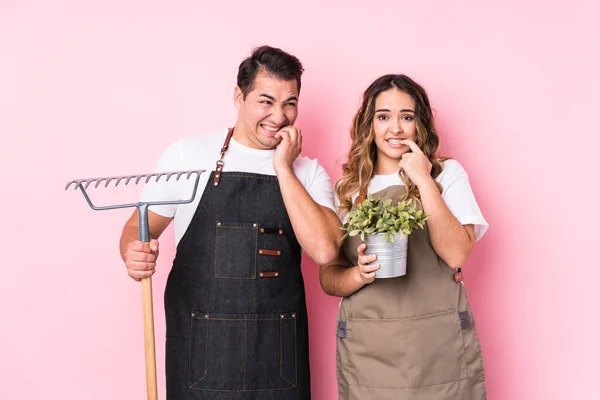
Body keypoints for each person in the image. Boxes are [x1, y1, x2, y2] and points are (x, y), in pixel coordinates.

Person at [119, 45, 341, 399]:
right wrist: (133, 253)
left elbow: (326, 250)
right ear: (239, 96)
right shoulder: (188, 154)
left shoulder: (308, 172)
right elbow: (137, 228)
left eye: (290, 103)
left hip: (277, 359)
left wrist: (283, 168)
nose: (279, 116)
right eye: (266, 101)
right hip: (201, 356)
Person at [320, 74, 488, 400]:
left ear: (419, 124)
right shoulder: (350, 190)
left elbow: (456, 255)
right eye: (383, 117)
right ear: (369, 124)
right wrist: (358, 274)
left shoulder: (446, 175)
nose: (395, 129)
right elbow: (328, 278)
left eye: (406, 117)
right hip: (370, 349)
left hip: (437, 345)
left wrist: (423, 181)